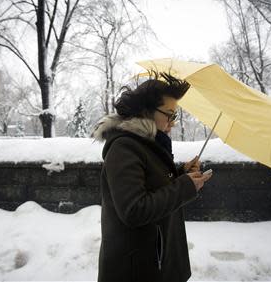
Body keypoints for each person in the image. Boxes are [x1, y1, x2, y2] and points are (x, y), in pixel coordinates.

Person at [90, 71, 213, 282]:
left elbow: (153, 184)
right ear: (146, 111)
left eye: (175, 116)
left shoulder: (149, 143)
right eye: (169, 114)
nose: (173, 122)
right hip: (136, 269)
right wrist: (183, 187)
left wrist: (181, 173)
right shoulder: (124, 147)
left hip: (157, 260)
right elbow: (134, 210)